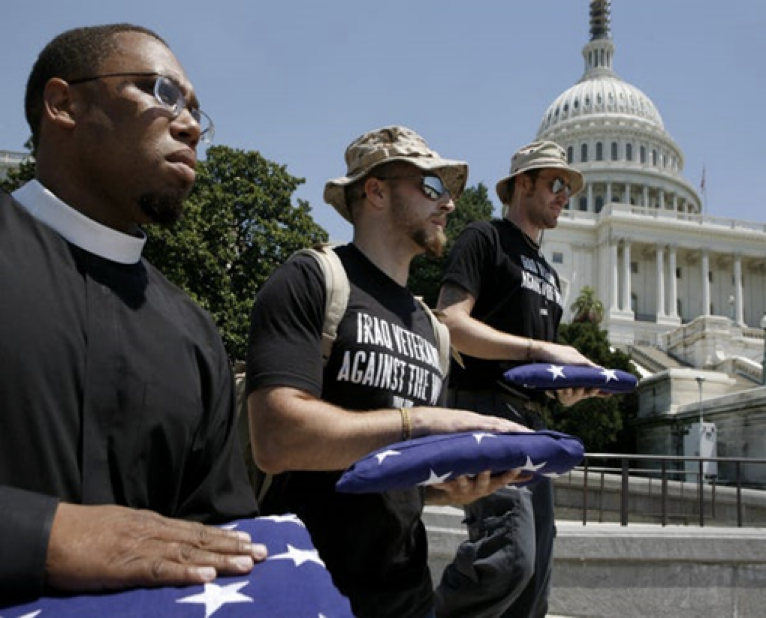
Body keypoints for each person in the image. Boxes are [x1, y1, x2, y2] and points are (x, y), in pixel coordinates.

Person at [0, 24, 266, 604]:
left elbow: (217, 543)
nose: (192, 125)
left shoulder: (196, 334)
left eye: (198, 112)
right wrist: (41, 535)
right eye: (163, 93)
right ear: (64, 103)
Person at [245, 125, 530, 618]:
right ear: (375, 190)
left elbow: (397, 477)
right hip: (305, 588)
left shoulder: (433, 329)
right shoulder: (313, 279)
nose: (449, 204)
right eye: (432, 186)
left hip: (407, 594)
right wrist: (420, 423)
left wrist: (449, 487)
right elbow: (275, 439)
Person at [433, 140, 604, 618]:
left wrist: (570, 389)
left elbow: (544, 369)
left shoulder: (550, 275)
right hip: (486, 410)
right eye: (554, 182)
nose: (562, 194)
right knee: (509, 557)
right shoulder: (484, 238)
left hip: (535, 424)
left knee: (537, 579)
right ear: (521, 184)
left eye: (567, 187)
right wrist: (535, 348)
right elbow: (450, 322)